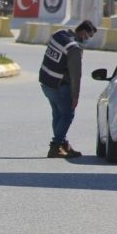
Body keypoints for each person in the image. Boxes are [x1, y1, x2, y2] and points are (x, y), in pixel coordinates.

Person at [38, 20, 97, 158]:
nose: (87, 40)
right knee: (67, 115)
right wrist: (75, 96)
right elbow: (76, 75)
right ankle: (56, 145)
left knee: (57, 114)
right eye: (88, 36)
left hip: (46, 82)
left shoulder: (59, 34)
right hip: (60, 86)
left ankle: (63, 144)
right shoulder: (74, 48)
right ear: (83, 33)